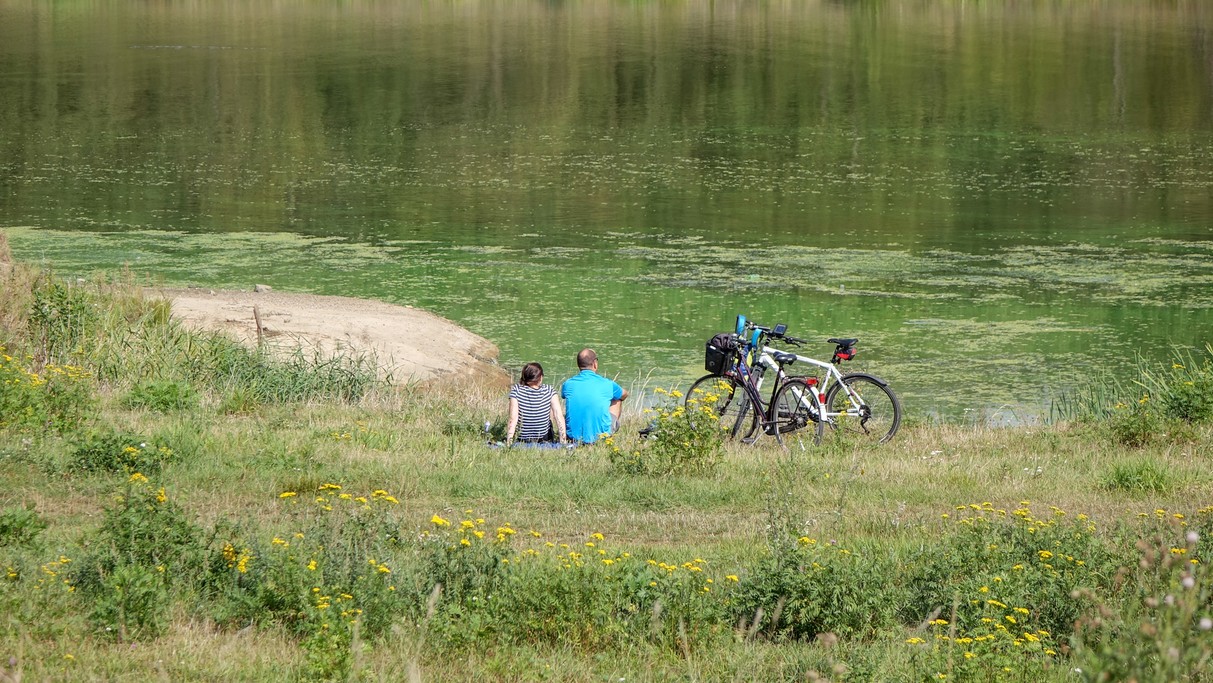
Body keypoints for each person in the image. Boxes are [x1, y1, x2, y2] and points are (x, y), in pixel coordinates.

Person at [561, 348, 628, 444]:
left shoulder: (568, 384)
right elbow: (624, 394)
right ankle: (607, 435)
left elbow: (564, 395)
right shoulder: (607, 384)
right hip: (600, 437)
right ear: (595, 364)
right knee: (617, 400)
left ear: (578, 365)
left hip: (573, 438)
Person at [506, 362, 566, 446]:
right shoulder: (549, 390)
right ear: (540, 377)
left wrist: (509, 442)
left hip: (522, 438)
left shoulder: (517, 390)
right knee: (551, 415)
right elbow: (558, 416)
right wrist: (563, 441)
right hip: (543, 438)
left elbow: (513, 418)